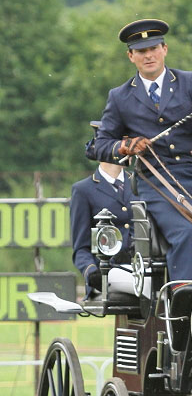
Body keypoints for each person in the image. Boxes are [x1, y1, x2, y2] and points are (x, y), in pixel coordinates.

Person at [92, 18, 192, 281]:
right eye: (141, 51)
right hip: (156, 182)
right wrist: (125, 146)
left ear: (164, 49)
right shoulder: (120, 97)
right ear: (131, 56)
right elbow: (99, 145)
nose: (149, 56)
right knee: (189, 234)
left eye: (153, 48)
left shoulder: (190, 82)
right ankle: (187, 295)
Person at [70, 121, 138, 297]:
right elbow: (81, 248)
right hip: (108, 272)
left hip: (141, 267)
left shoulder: (140, 184)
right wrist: (92, 272)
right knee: (146, 286)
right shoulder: (83, 190)